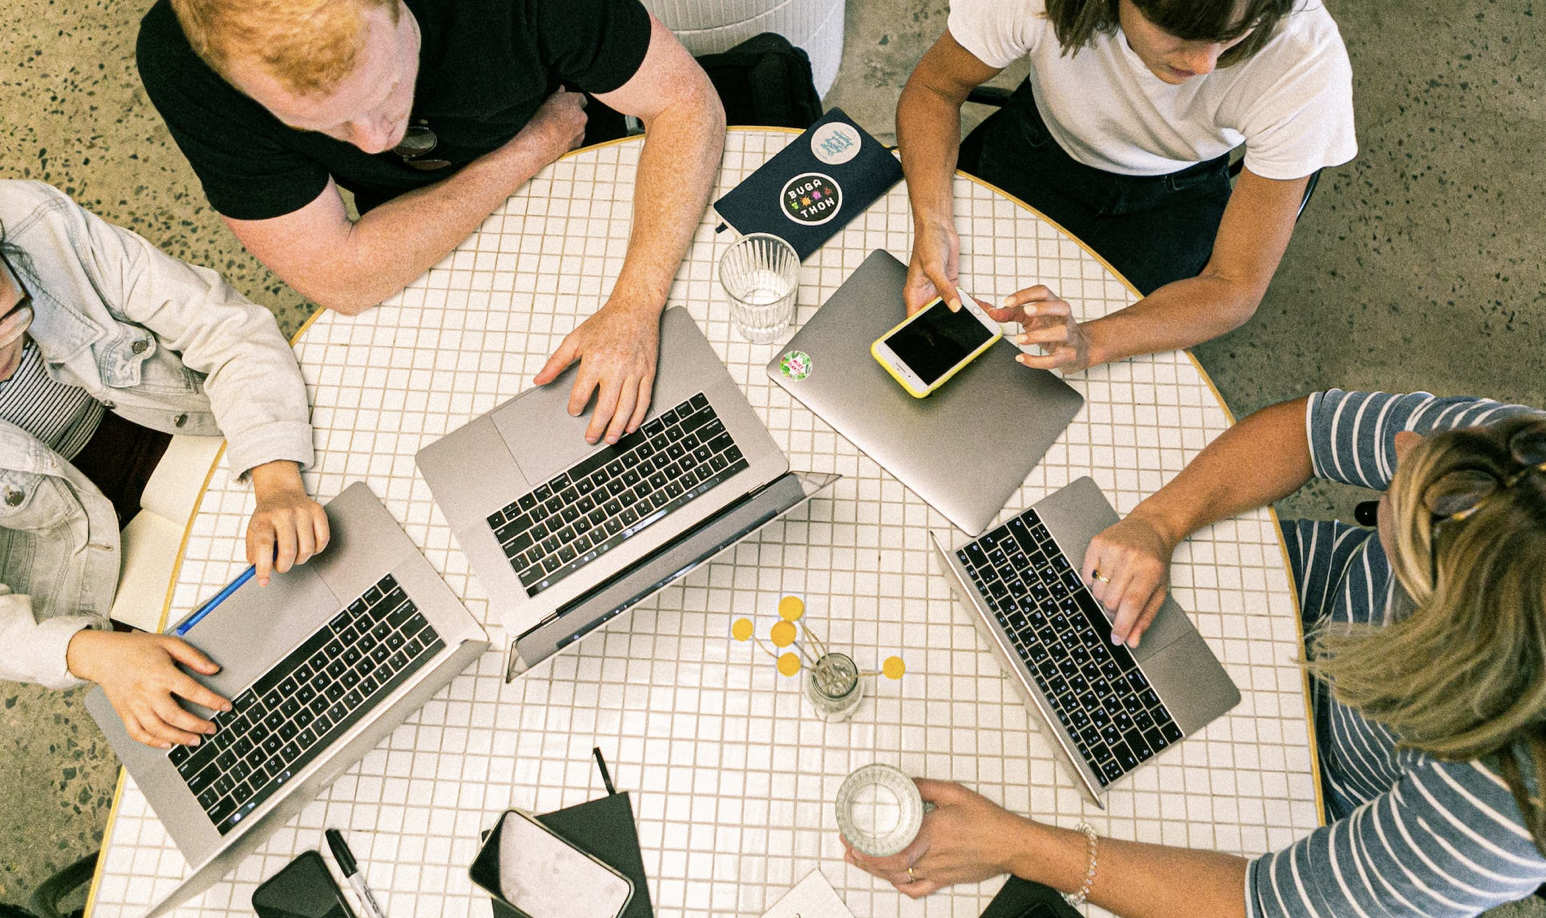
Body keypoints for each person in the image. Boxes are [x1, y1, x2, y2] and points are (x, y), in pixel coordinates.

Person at [843, 388, 1546, 916]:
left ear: (1441, 623)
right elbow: (1306, 430)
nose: (1403, 446)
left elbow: (1260, 906)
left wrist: (1019, 847)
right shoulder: (1514, 465)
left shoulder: (1497, 815)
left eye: (1419, 489)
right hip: (1289, 589)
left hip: (1312, 802)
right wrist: (1157, 521)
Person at [136, 0, 726, 445]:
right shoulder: (180, 58)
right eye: (324, 124)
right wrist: (529, 149)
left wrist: (633, 306)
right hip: (448, 214)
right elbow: (344, 279)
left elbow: (684, 103)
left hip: (595, 161)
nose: (375, 140)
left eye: (388, 86)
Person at [0, 180, 330, 750]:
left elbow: (224, 327)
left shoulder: (32, 222)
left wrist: (276, 479)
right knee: (246, 709)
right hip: (68, 558)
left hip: (177, 424)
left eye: (9, 318)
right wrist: (87, 651)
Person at [896, 0, 1355, 374]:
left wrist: (1091, 342)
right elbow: (934, 89)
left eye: (1232, 35)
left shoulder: (1305, 57)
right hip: (1036, 142)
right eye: (1175, 28)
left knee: (1070, 378)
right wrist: (932, 221)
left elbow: (1234, 286)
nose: (1204, 63)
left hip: (1175, 196)